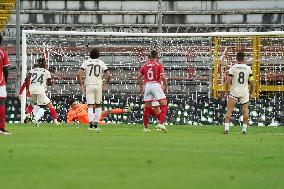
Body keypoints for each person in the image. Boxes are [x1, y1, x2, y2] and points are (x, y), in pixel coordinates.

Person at [77, 48, 111, 132]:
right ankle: (96, 125)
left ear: (90, 55)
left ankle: (91, 125)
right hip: (98, 85)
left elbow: (79, 74)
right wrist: (105, 83)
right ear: (98, 55)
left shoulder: (86, 62)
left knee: (90, 106)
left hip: (89, 85)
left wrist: (81, 85)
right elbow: (109, 75)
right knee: (98, 105)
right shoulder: (101, 63)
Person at [223, 51, 255, 134]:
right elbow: (252, 83)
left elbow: (228, 81)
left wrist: (226, 91)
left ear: (236, 58)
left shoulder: (233, 68)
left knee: (229, 110)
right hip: (244, 92)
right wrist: (251, 93)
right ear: (244, 59)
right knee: (245, 111)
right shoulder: (248, 68)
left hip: (234, 92)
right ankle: (244, 130)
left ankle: (226, 129)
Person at [138, 50, 168, 132]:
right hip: (155, 84)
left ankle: (145, 127)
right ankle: (161, 123)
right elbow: (163, 78)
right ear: (157, 56)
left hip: (147, 85)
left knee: (147, 107)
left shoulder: (145, 65)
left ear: (150, 56)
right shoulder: (158, 65)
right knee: (164, 104)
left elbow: (139, 77)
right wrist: (166, 86)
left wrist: (141, 87)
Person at [25, 58, 60, 126]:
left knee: (32, 103)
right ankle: (54, 121)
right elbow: (49, 83)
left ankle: (27, 115)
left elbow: (26, 79)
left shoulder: (32, 70)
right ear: (44, 64)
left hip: (32, 89)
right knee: (49, 105)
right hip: (40, 90)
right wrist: (52, 82)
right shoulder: (46, 71)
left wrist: (27, 89)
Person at [67, 99, 132, 124]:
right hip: (90, 122)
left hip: (94, 116)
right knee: (105, 124)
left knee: (108, 111)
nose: (76, 105)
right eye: (74, 104)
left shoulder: (80, 106)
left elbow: (90, 105)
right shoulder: (71, 113)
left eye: (75, 103)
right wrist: (74, 123)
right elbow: (69, 122)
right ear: (71, 106)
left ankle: (126, 110)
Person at [0, 34, 11, 135]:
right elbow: (6, 69)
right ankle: (1, 128)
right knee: (1, 103)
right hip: (0, 82)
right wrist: (5, 80)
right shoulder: (2, 53)